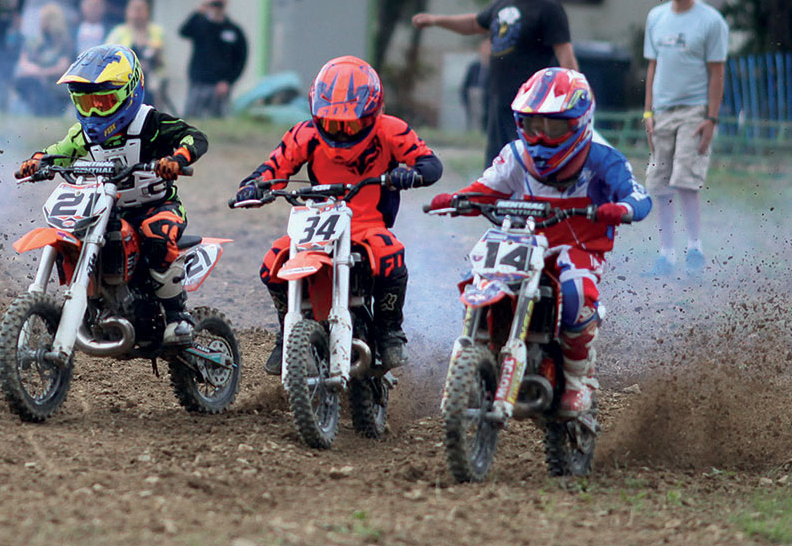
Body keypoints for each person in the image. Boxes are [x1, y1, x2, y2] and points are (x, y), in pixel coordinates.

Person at [428, 67, 651, 417]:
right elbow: (486, 188)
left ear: (580, 122)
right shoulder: (516, 155)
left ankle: (578, 381)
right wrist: (457, 199)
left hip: (577, 248)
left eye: (555, 127)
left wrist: (622, 208)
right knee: (483, 271)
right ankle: (483, 348)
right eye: (534, 126)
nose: (542, 138)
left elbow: (638, 196)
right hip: (524, 241)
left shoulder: (602, 157)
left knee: (576, 289)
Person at [232, 55, 443, 374]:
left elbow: (430, 163)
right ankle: (285, 331)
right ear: (317, 116)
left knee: (391, 255)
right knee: (272, 263)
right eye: (332, 125)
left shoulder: (391, 130)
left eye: (352, 125)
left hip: (369, 223)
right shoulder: (304, 134)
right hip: (319, 221)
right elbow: (274, 166)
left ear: (373, 113)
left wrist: (410, 174)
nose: (342, 134)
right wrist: (254, 187)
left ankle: (389, 331)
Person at [14, 44, 208, 346]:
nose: (93, 112)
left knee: (157, 237)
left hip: (156, 206)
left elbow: (194, 136)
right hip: (107, 210)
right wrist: (38, 162)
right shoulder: (83, 133)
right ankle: (95, 299)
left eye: (102, 102)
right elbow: (58, 152)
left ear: (130, 93)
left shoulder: (151, 124)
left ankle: (176, 316)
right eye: (85, 102)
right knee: (76, 232)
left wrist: (177, 159)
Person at [412, 0, 578, 167]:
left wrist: (575, 92)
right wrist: (436, 20)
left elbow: (564, 52)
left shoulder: (547, 8)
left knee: (525, 161)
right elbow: (474, 24)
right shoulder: (504, 1)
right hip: (499, 97)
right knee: (496, 161)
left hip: (531, 104)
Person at [642, 0, 728, 278]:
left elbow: (717, 72)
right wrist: (648, 111)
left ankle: (695, 249)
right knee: (659, 183)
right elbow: (652, 66)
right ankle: (666, 255)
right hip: (662, 110)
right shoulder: (656, 17)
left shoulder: (711, 21)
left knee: (686, 179)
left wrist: (711, 117)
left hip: (695, 110)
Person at [179, 0, 247, 119]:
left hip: (220, 86)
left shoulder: (233, 30)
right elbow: (183, 31)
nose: (217, 5)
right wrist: (201, 9)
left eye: (220, 1)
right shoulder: (200, 24)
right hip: (199, 82)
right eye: (215, 0)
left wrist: (229, 81)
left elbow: (241, 59)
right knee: (191, 121)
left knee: (218, 122)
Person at [105, 0, 170, 112]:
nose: (137, 14)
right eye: (134, 9)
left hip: (151, 79)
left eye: (141, 9)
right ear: (127, 11)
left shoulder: (156, 31)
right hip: (124, 80)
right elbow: (109, 58)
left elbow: (158, 53)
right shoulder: (119, 33)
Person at [13, 3, 73, 116]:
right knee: (23, 80)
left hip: (55, 86)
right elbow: (24, 62)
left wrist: (43, 73)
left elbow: (62, 67)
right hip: (37, 82)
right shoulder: (36, 42)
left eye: (43, 20)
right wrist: (36, 72)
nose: (40, 23)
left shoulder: (64, 43)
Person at [460, 36, 492, 132]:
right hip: (474, 95)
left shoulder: (494, 67)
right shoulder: (474, 66)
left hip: (487, 98)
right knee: (474, 121)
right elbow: (466, 84)